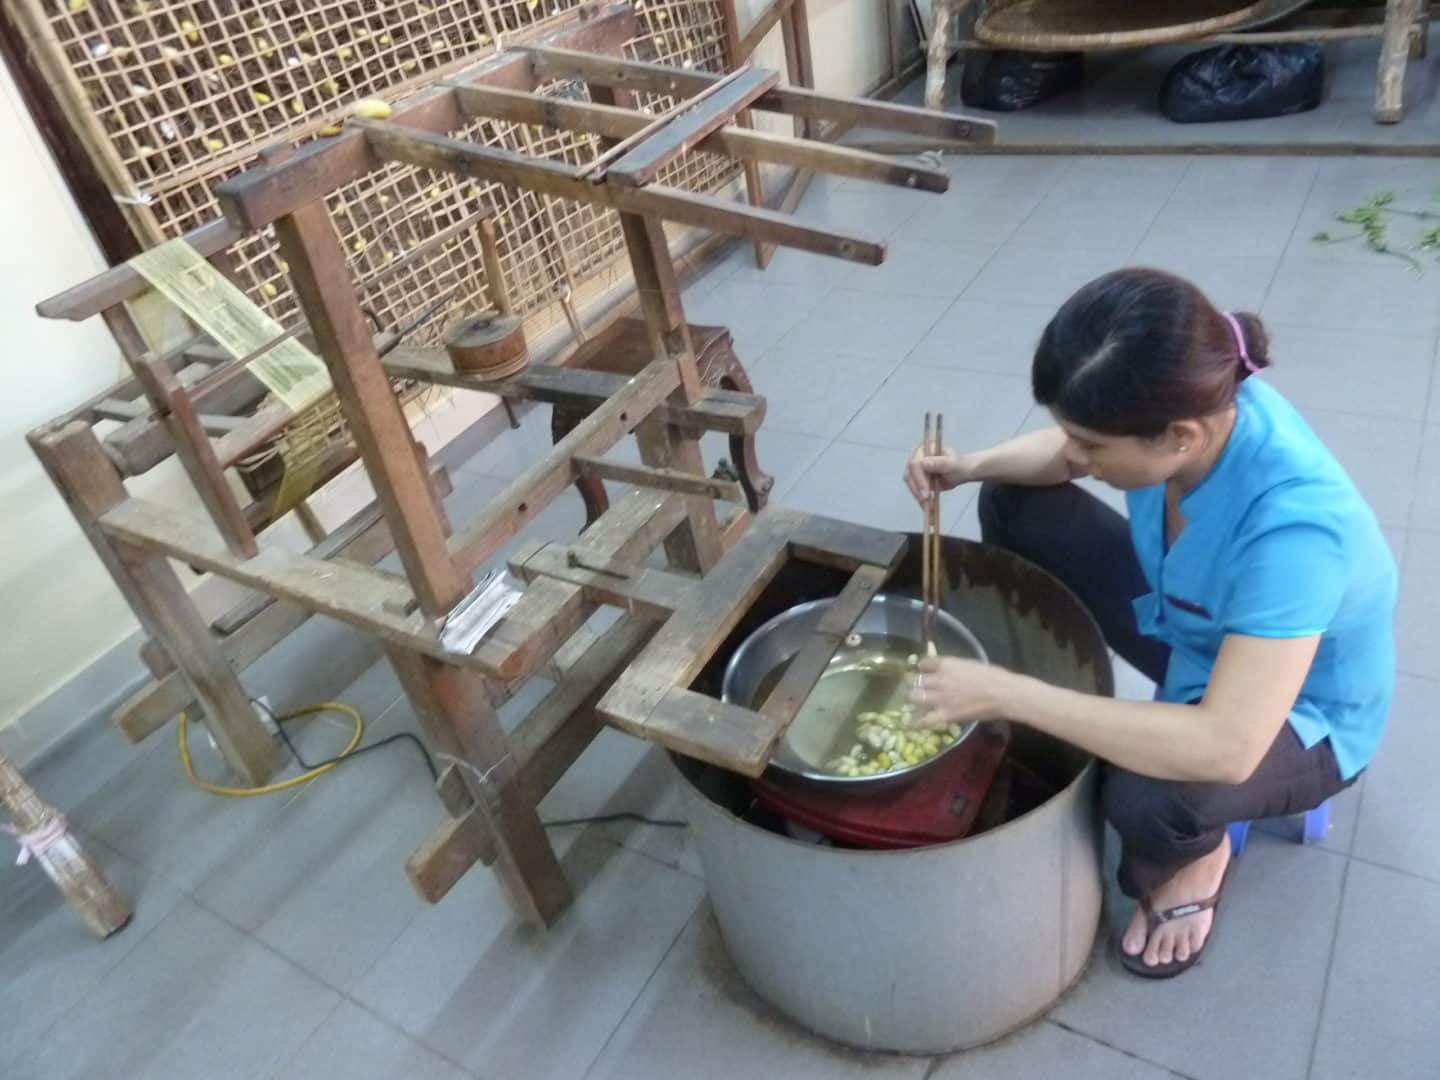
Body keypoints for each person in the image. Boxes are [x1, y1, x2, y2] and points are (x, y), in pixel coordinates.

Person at [902, 268, 1396, 979]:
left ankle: (1201, 859)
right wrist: (968, 465)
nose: (1075, 457)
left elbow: (1225, 745)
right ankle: (1057, 702)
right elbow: (1062, 453)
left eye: (1092, 448)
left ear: (1179, 438)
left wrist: (1005, 694)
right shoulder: (1183, 399)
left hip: (1296, 711)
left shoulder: (1296, 531)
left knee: (1145, 796)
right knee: (1014, 499)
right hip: (1191, 623)